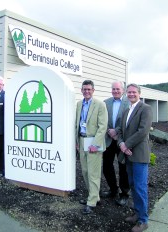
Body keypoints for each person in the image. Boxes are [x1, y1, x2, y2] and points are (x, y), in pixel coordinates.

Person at [117, 83, 152, 232]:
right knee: (132, 185)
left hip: (138, 154)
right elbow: (120, 131)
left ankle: (143, 220)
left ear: (139, 93)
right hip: (127, 154)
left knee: (140, 187)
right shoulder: (126, 111)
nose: (131, 94)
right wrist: (121, 144)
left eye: (134, 92)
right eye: (129, 92)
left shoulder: (146, 109)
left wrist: (127, 145)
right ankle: (137, 214)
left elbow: (143, 131)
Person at [75, 80, 108, 215]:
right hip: (82, 140)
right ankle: (94, 196)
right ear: (81, 90)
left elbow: (103, 126)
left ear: (93, 90)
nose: (86, 91)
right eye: (84, 89)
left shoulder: (100, 105)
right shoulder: (78, 104)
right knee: (85, 171)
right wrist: (76, 141)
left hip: (93, 141)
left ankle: (92, 201)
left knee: (93, 173)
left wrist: (95, 144)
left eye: (89, 89)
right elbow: (77, 124)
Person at [101, 81, 130, 206]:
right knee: (107, 166)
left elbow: (128, 121)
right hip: (108, 139)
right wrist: (109, 130)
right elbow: (102, 118)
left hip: (122, 140)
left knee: (123, 168)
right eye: (113, 89)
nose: (115, 91)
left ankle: (124, 194)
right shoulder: (106, 102)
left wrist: (116, 131)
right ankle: (113, 190)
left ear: (123, 90)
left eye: (118, 89)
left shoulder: (128, 103)